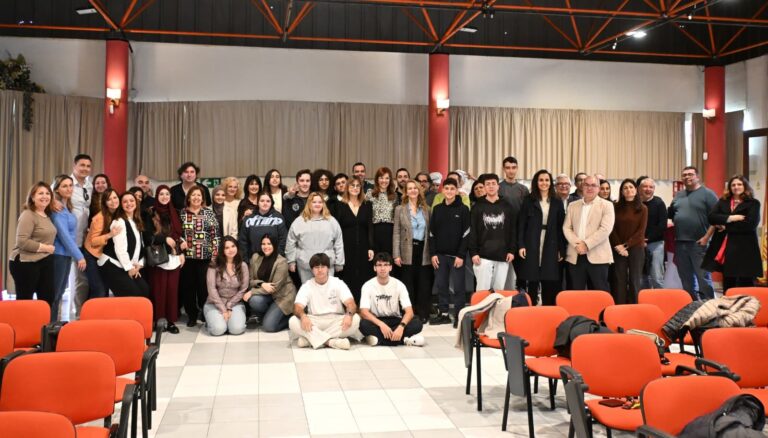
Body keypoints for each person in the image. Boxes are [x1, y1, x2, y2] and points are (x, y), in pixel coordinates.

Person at [702, 175, 763, 292]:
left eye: (739, 184)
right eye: (733, 185)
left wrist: (725, 225)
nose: (736, 187)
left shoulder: (753, 203)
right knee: (729, 283)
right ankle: (728, 307)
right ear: (729, 187)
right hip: (727, 249)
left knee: (746, 283)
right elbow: (711, 217)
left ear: (745, 187)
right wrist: (732, 218)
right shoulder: (723, 202)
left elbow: (750, 224)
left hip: (745, 248)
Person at [288, 253, 361, 350]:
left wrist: (349, 315)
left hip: (336, 320)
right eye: (316, 267)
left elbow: (351, 304)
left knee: (355, 318)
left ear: (328, 268)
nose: (320, 270)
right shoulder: (307, 286)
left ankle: (311, 340)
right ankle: (331, 342)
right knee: (293, 321)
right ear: (312, 270)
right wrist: (303, 316)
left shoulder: (338, 283)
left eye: (323, 267)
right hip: (314, 321)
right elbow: (297, 307)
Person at [668, 166, 718, 301]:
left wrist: (707, 237)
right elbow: (674, 214)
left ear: (697, 177)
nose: (687, 177)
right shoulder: (678, 195)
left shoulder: (708, 194)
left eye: (690, 174)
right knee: (686, 279)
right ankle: (692, 307)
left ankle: (709, 308)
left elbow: (717, 218)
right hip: (680, 244)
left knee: (703, 278)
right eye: (684, 175)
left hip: (699, 243)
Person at [517, 170, 566, 306]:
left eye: (547, 180)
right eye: (541, 180)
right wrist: (521, 245)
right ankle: (531, 309)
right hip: (532, 240)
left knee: (549, 279)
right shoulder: (528, 200)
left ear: (551, 183)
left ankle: (548, 310)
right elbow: (521, 225)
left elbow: (561, 227)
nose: (544, 183)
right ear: (536, 182)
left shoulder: (557, 201)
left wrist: (561, 249)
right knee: (532, 277)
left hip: (551, 242)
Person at [359, 252, 425, 347]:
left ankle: (380, 340)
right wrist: (381, 325)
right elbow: (364, 312)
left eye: (386, 265)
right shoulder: (367, 285)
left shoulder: (399, 285)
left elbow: (409, 312)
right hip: (378, 321)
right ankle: (403, 340)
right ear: (374, 268)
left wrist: (401, 327)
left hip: (395, 320)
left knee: (417, 323)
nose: (382, 268)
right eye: (379, 265)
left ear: (390, 267)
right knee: (363, 324)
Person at [563, 175, 615, 292]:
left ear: (598, 188)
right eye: (586, 185)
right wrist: (577, 244)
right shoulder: (572, 205)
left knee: (600, 293)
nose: (590, 188)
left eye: (593, 185)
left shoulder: (607, 205)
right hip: (576, 255)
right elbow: (566, 228)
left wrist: (586, 244)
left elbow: (605, 229)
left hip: (598, 257)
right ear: (582, 186)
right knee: (576, 293)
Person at [429, 177, 470, 325]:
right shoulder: (438, 209)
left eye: (452, 189)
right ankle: (444, 313)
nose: (449, 191)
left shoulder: (463, 209)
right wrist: (433, 254)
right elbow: (432, 233)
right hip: (440, 255)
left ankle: (459, 316)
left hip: (457, 257)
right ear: (442, 190)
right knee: (442, 286)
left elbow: (466, 234)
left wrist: (461, 255)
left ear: (457, 191)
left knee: (459, 287)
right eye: (446, 188)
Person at [9, 182, 56, 308]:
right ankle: (21, 327)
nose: (45, 196)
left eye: (47, 193)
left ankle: (43, 327)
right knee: (25, 302)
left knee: (47, 299)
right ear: (32, 197)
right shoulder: (28, 214)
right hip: (25, 262)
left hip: (44, 261)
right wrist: (46, 248)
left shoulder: (47, 215)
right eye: (40, 193)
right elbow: (22, 241)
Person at [179, 186, 221, 326]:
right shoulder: (182, 214)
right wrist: (181, 241)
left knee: (204, 288)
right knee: (188, 288)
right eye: (193, 195)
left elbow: (215, 235)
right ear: (189, 198)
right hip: (188, 258)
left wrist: (215, 254)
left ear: (202, 198)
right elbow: (177, 233)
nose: (196, 197)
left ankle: (205, 313)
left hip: (206, 257)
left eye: (199, 195)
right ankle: (191, 315)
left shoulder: (209, 213)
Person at [146, 185, 184, 334]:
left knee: (172, 291)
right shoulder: (150, 212)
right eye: (161, 194)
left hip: (174, 257)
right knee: (158, 291)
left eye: (167, 194)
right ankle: (158, 320)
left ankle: (170, 321)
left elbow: (179, 235)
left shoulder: (175, 212)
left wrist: (181, 251)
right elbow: (147, 235)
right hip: (158, 257)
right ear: (157, 196)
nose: (164, 196)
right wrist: (164, 238)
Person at [468, 173, 516, 291]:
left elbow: (512, 230)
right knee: (482, 291)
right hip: (482, 256)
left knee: (499, 291)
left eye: (493, 183)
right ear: (484, 187)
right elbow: (472, 231)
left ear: (498, 186)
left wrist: (511, 250)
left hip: (503, 254)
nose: (491, 186)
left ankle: (497, 311)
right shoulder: (477, 207)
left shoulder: (507, 206)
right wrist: (473, 253)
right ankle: (481, 310)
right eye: (487, 184)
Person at [97, 192, 150, 298]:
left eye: (131, 200)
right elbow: (120, 249)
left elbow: (138, 246)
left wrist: (137, 264)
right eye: (125, 201)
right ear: (121, 205)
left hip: (126, 264)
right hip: (112, 264)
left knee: (145, 291)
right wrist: (129, 268)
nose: (129, 203)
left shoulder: (136, 221)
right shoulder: (119, 222)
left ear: (136, 203)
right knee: (133, 294)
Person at [393, 180, 432, 322]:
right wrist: (396, 254)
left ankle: (423, 314)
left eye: (415, 188)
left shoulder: (427, 209)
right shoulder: (400, 209)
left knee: (423, 283)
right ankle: (410, 314)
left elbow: (431, 232)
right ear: (406, 192)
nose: (413, 191)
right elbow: (396, 233)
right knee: (408, 283)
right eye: (410, 188)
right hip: (406, 250)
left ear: (419, 190)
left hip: (424, 250)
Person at [286, 193, 345, 283]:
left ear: (323, 204)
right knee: (308, 293)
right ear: (309, 204)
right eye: (314, 202)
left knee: (327, 292)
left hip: (327, 265)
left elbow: (338, 242)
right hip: (305, 265)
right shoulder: (299, 221)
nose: (317, 204)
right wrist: (291, 261)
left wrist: (339, 262)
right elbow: (291, 242)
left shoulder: (331, 221)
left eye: (320, 202)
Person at [51, 175, 87, 321]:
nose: (69, 188)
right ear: (57, 189)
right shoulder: (57, 208)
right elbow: (64, 236)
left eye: (70, 185)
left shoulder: (66, 206)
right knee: (55, 294)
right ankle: (49, 327)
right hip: (58, 255)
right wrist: (79, 256)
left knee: (59, 293)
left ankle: (54, 325)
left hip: (65, 255)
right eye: (64, 186)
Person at [333, 177, 374, 304]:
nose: (355, 188)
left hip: (363, 246)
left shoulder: (367, 205)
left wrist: (371, 247)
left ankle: (363, 305)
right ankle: (349, 305)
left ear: (361, 188)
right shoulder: (340, 206)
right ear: (347, 188)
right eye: (352, 186)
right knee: (348, 276)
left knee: (363, 275)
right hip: (346, 247)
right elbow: (336, 230)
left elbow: (370, 228)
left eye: (357, 186)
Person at [244, 234, 297, 332]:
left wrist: (252, 292)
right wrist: (261, 283)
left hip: (282, 296)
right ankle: (269, 315)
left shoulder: (281, 261)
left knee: (269, 327)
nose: (266, 246)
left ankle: (292, 318)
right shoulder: (255, 257)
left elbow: (274, 287)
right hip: (267, 294)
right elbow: (250, 281)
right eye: (263, 244)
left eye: (269, 243)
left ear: (274, 245)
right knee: (254, 300)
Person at [609, 179, 648, 304]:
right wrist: (619, 246)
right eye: (625, 188)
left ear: (636, 190)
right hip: (618, 248)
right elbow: (611, 228)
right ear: (621, 191)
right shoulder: (615, 207)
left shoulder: (643, 208)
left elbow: (641, 231)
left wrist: (626, 245)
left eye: (631, 187)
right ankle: (619, 307)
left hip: (636, 248)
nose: (628, 190)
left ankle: (634, 307)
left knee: (634, 280)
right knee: (619, 280)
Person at [63, 154, 93, 318]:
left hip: (83, 239)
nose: (85, 169)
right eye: (82, 165)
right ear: (74, 165)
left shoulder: (89, 185)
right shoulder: (65, 183)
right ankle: (72, 316)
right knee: (63, 282)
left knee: (80, 280)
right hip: (66, 239)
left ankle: (79, 314)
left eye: (88, 166)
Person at [205, 237, 249, 336]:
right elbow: (211, 289)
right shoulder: (214, 264)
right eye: (227, 248)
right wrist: (223, 309)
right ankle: (213, 321)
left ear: (237, 247)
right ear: (222, 250)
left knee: (236, 329)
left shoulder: (243, 265)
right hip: (215, 303)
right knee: (218, 330)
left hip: (235, 303)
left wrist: (229, 306)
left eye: (233, 246)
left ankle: (228, 322)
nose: (231, 250)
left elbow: (243, 289)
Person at [83, 188, 120, 301]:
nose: (113, 201)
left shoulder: (117, 214)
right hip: (92, 255)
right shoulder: (100, 217)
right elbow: (93, 241)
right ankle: (90, 317)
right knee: (99, 289)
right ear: (105, 203)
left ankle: (100, 316)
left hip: (104, 256)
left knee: (104, 288)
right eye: (109, 199)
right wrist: (109, 235)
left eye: (115, 197)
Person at [637, 177, 668, 289]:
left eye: (651, 187)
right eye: (645, 186)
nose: (648, 189)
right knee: (641, 278)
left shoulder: (659, 203)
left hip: (656, 245)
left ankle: (661, 303)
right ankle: (644, 303)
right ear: (639, 188)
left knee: (656, 277)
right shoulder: (635, 203)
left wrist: (647, 239)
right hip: (638, 245)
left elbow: (662, 225)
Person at [239, 192, 288, 260]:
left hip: (274, 259)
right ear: (257, 202)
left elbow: (283, 239)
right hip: (253, 259)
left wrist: (278, 257)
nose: (265, 203)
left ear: (271, 203)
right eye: (262, 201)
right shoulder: (249, 218)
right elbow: (243, 241)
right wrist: (245, 259)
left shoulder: (278, 218)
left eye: (268, 201)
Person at [366, 167, 399, 258]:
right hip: (374, 231)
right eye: (381, 178)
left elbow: (396, 217)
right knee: (376, 260)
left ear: (390, 180)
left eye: (387, 178)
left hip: (390, 231)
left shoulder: (395, 196)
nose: (384, 180)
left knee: (388, 259)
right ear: (377, 179)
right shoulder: (370, 194)